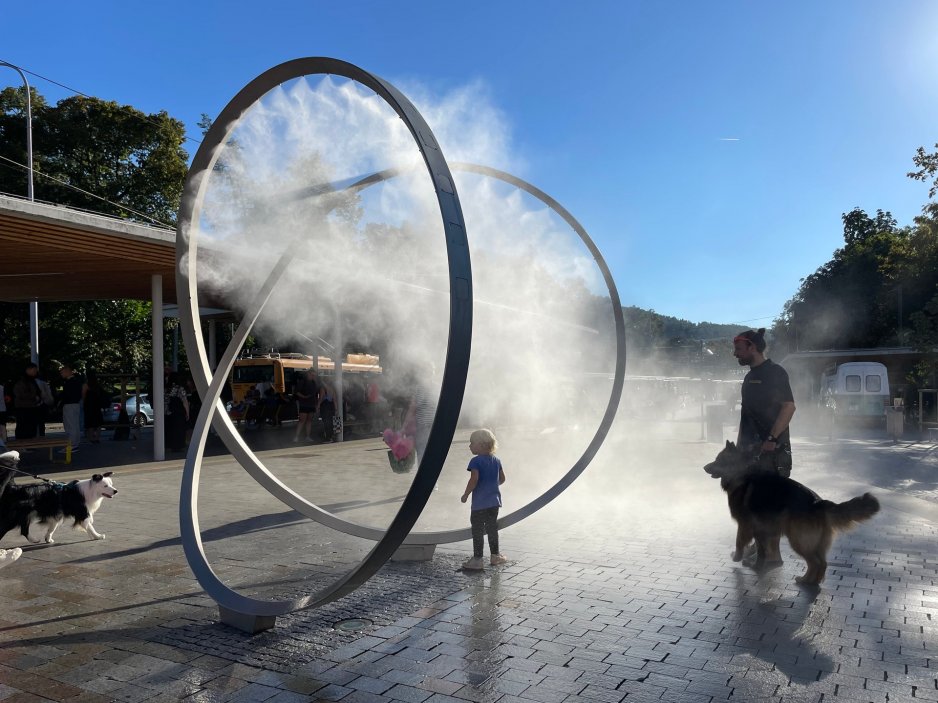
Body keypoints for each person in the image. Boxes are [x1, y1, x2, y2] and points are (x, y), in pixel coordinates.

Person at [734, 328, 796, 477]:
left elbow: (789, 407)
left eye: (738, 349)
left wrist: (771, 439)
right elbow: (747, 416)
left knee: (774, 500)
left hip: (772, 453)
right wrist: (738, 449)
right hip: (748, 454)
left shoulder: (775, 372)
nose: (735, 353)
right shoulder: (749, 377)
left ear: (752, 347)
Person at [460, 428, 508, 570]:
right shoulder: (497, 460)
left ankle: (477, 560)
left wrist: (466, 494)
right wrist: (492, 486)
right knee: (492, 529)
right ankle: (495, 556)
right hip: (494, 503)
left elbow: (474, 480)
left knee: (478, 531)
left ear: (481, 444)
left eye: (472, 443)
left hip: (479, 504)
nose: (469, 446)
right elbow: (503, 479)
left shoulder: (475, 461)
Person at [13, 363, 42, 440]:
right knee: (23, 427)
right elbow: (20, 394)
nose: (35, 372)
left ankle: (29, 445)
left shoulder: (31, 380)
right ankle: (22, 445)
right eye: (34, 370)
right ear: (28, 370)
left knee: (31, 427)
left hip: (31, 406)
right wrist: (34, 397)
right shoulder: (22, 380)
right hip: (23, 407)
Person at [59, 364, 84, 453]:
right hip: (74, 404)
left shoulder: (71, 382)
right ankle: (74, 444)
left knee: (70, 425)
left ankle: (72, 445)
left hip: (70, 404)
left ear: (67, 371)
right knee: (74, 425)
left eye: (62, 372)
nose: (61, 374)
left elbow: (67, 395)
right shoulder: (76, 381)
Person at [164, 372, 190, 452]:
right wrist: (187, 412)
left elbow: (165, 401)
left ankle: (170, 444)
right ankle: (178, 446)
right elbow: (184, 401)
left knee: (170, 429)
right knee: (179, 429)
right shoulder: (180, 388)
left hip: (169, 413)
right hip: (178, 412)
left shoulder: (166, 389)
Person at [293, 368, 319, 442]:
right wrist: (304, 397)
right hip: (304, 404)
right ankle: (296, 437)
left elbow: (315, 394)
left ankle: (307, 436)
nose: (313, 376)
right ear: (308, 374)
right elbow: (296, 392)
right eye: (312, 375)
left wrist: (316, 404)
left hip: (311, 404)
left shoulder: (314, 383)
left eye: (314, 375)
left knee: (309, 421)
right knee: (302, 420)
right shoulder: (303, 381)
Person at [82, 370, 106, 444]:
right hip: (97, 406)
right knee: (98, 423)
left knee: (90, 423)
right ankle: (97, 438)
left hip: (89, 406)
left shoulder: (86, 385)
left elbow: (83, 396)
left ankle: (91, 438)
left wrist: (83, 404)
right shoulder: (97, 385)